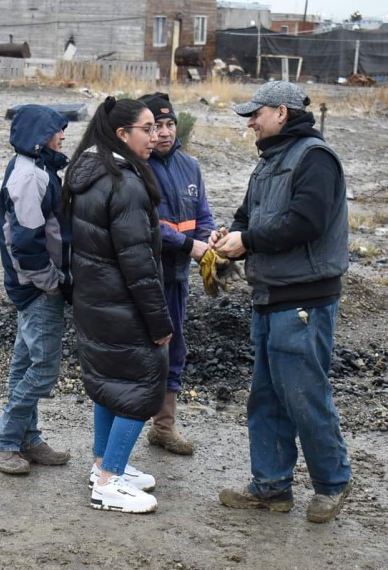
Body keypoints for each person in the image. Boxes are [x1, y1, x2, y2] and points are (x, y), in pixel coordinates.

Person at [212, 81, 352, 523]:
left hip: (304, 298)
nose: (249, 122)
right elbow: (247, 214)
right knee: (268, 397)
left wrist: (247, 241)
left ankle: (333, 482)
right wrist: (229, 234)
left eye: (256, 114)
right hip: (270, 295)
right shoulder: (271, 161)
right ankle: (271, 488)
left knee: (303, 394)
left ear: (282, 113)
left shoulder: (315, 158)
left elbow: (305, 222)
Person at [63, 97, 174, 514]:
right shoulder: (125, 183)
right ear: (123, 134)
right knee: (141, 386)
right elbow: (139, 263)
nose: (157, 135)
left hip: (96, 300)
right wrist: (158, 321)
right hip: (122, 302)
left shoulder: (88, 172)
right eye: (147, 128)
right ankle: (109, 484)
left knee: (110, 383)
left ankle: (104, 465)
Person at [0, 104, 73, 475]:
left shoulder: (36, 168)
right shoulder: (31, 177)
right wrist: (52, 282)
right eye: (57, 130)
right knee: (43, 370)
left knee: (24, 364)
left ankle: (29, 438)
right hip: (38, 287)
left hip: (32, 285)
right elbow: (25, 242)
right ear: (40, 137)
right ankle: (4, 440)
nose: (63, 136)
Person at [139, 92, 216, 456]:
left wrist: (210, 242)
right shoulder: (136, 169)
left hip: (178, 276)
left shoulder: (191, 166)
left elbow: (202, 216)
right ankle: (118, 435)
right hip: (145, 275)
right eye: (156, 126)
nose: (165, 133)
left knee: (175, 346)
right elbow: (149, 225)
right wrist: (190, 246)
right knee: (142, 350)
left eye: (169, 124)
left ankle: (163, 426)